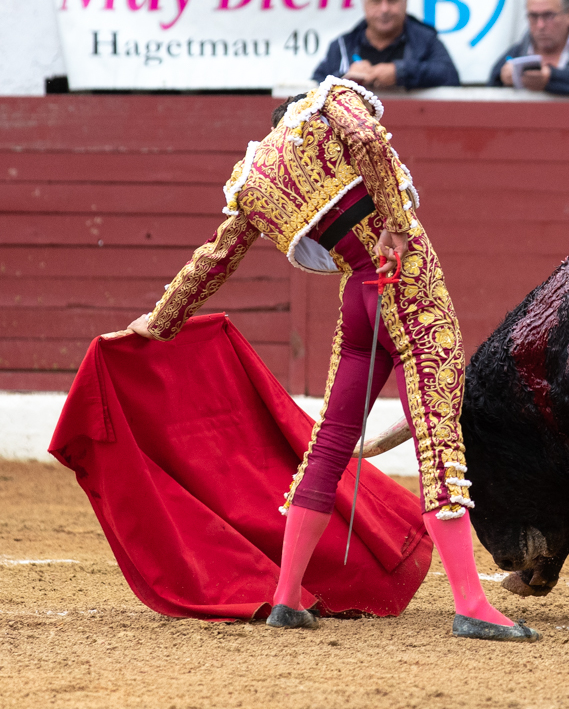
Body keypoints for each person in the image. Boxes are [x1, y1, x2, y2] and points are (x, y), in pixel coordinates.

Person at [119, 76, 537, 641]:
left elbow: (215, 259)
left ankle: (286, 596)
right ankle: (470, 603)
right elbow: (367, 135)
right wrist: (394, 223)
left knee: (329, 443)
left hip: (359, 302)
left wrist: (161, 318)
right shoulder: (334, 102)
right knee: (439, 439)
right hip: (406, 284)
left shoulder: (254, 181)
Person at [312, 0, 459, 90]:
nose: (384, 9)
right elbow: (314, 87)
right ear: (364, 3)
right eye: (376, 1)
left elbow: (450, 76)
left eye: (391, 0)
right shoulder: (342, 45)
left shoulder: (426, 40)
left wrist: (401, 72)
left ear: (405, 2)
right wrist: (347, 78)